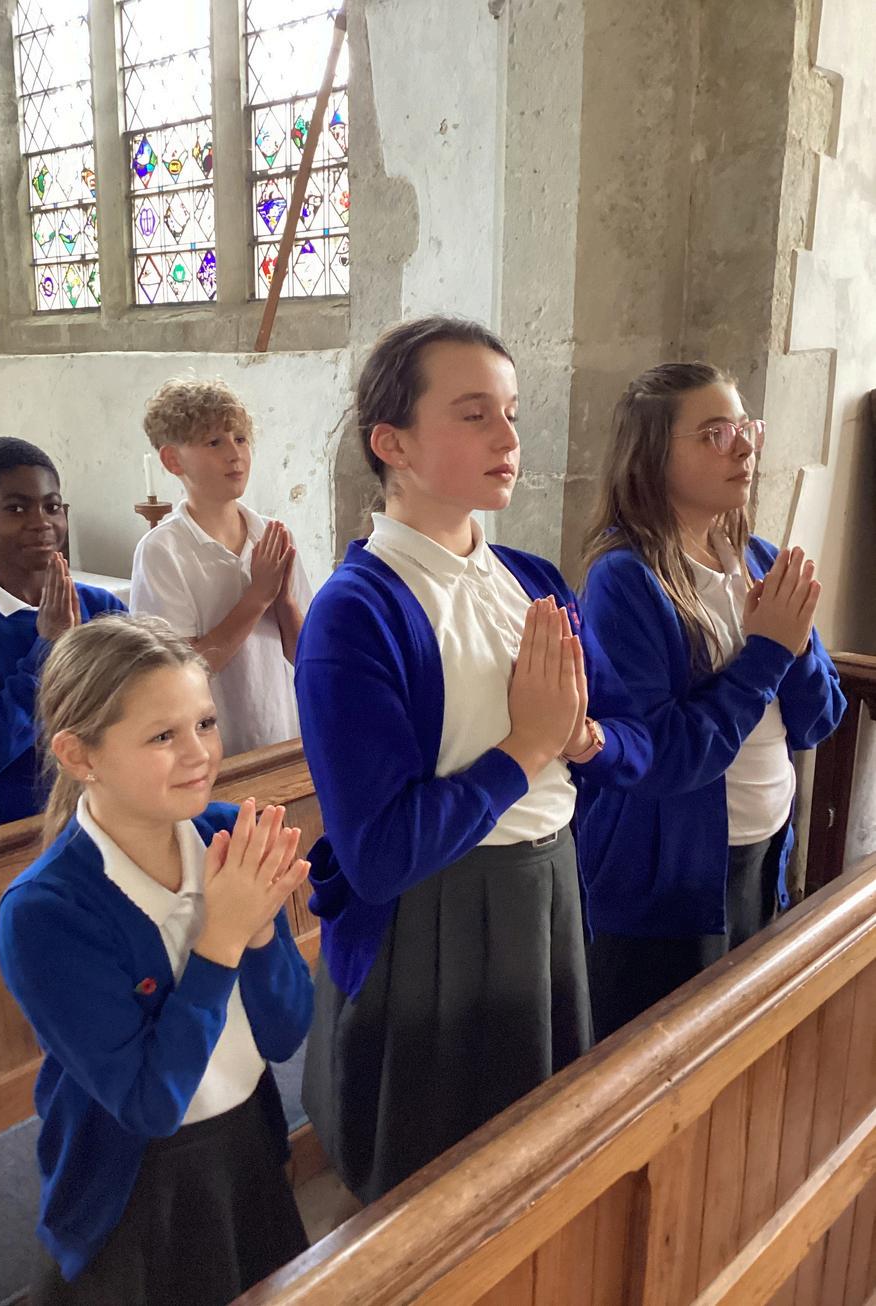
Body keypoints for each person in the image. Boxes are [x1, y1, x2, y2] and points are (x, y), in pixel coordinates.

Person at [294, 316, 651, 1203]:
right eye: (473, 414)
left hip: (547, 888)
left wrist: (584, 739)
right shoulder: (356, 612)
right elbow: (378, 853)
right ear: (393, 443)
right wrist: (526, 747)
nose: (508, 439)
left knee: (535, 1158)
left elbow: (629, 743)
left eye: (512, 413)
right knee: (431, 1183)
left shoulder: (532, 580)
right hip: (434, 917)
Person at [0, 615, 313, 1305]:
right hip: (132, 1192)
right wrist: (221, 940)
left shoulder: (227, 835)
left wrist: (260, 931)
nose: (199, 753)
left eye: (205, 723)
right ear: (79, 755)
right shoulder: (46, 912)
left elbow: (286, 1033)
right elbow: (149, 1103)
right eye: (163, 736)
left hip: (245, 1149)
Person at [579, 362, 846, 1038]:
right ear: (653, 457)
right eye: (715, 433)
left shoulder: (757, 558)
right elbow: (659, 756)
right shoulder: (624, 580)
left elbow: (819, 720)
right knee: (662, 1063)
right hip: (668, 883)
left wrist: (792, 647)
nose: (745, 446)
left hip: (762, 857)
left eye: (746, 427)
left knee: (741, 1049)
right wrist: (767, 653)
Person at [0, 436, 125, 835]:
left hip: (105, 823)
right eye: (16, 508)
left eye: (52, 506)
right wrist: (48, 649)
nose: (41, 522)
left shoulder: (102, 607)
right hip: (7, 837)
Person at [130, 378, 312, 756]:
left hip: (285, 737)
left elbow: (307, 656)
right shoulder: (163, 551)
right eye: (214, 442)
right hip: (210, 756)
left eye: (240, 439)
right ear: (173, 460)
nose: (235, 455)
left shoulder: (271, 535)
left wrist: (283, 603)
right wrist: (257, 598)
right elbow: (177, 676)